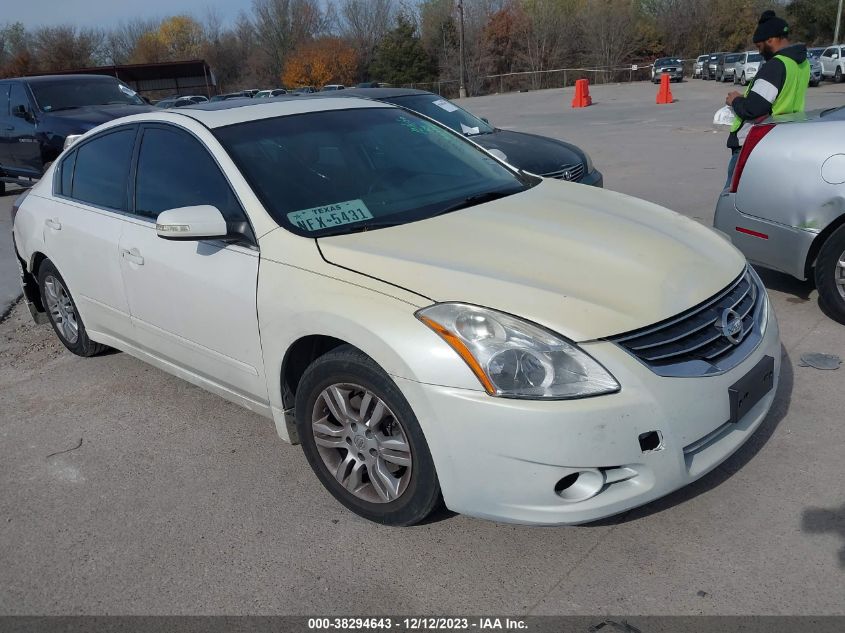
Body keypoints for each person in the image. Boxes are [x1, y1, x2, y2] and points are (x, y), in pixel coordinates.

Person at [723, 10, 809, 188]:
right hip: (782, 137)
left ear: (771, 40)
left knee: (733, 200)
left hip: (753, 144)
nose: (759, 51)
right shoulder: (801, 63)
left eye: (759, 46)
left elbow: (754, 108)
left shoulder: (776, 65)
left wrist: (735, 100)